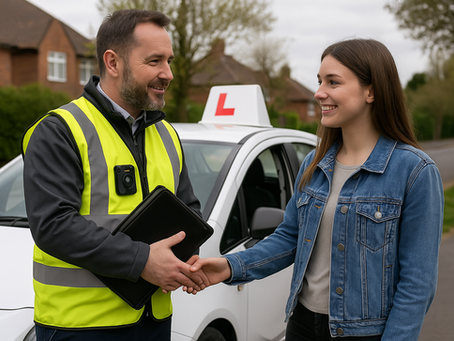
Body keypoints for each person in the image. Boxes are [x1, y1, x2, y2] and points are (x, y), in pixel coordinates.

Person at [189, 39, 444, 340]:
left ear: (371, 91)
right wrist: (230, 267)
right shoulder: (316, 162)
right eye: (320, 81)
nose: (319, 92)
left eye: (333, 82)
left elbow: (417, 284)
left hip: (364, 333)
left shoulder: (414, 172)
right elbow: (290, 238)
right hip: (301, 325)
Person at [22, 9, 206, 341]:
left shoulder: (165, 134)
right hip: (80, 327)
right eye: (155, 61)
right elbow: (53, 225)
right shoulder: (59, 130)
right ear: (113, 62)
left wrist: (184, 261)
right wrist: (143, 261)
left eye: (170, 61)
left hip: (154, 322)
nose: (168, 74)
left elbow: (189, 211)